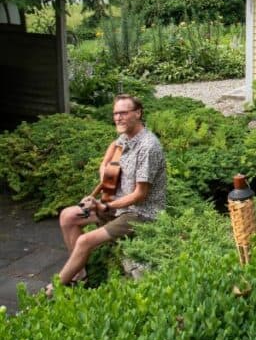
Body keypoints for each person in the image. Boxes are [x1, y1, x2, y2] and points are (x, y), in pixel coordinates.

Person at [45, 94, 166, 296]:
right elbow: (112, 149)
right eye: (116, 113)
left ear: (138, 113)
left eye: (124, 113)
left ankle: (54, 289)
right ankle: (79, 276)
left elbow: (140, 195)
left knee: (85, 241)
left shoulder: (148, 147)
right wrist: (105, 171)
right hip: (116, 206)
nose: (118, 118)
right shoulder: (125, 137)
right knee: (68, 216)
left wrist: (105, 207)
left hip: (140, 215)